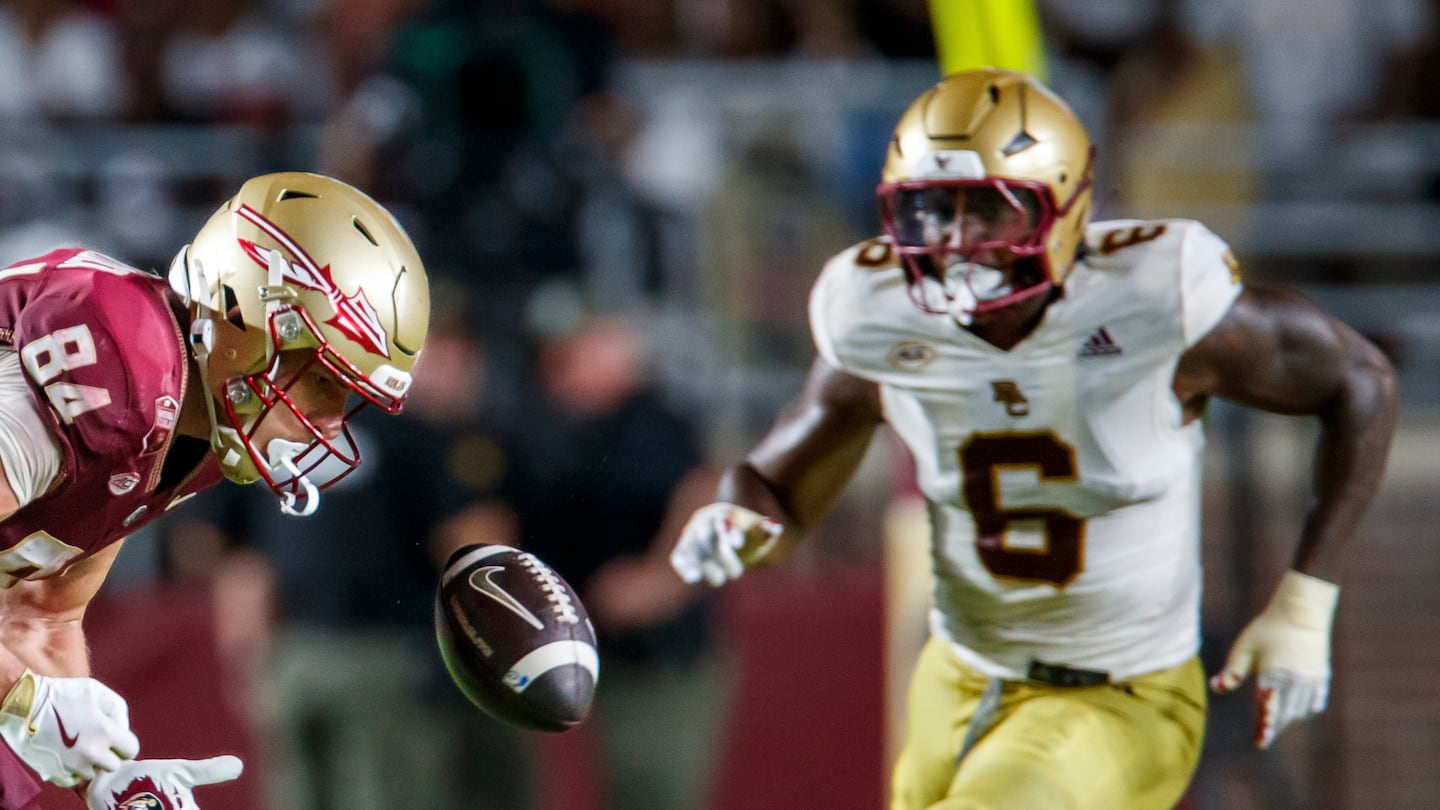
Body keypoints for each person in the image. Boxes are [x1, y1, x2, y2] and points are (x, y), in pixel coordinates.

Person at [668, 68, 1398, 809]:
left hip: (1118, 695)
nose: (955, 240)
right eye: (929, 210)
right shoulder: (877, 312)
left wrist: (1307, 602)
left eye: (988, 209)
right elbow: (778, 484)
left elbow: (1361, 381)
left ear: (1065, 210)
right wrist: (737, 517)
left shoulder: (1153, 300)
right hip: (958, 677)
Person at [0, 171, 430, 809]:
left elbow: (40, 615)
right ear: (240, 314)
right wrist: (25, 703)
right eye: (320, 382)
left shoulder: (187, 425)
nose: (330, 423)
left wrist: (110, 776)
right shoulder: (120, 375)